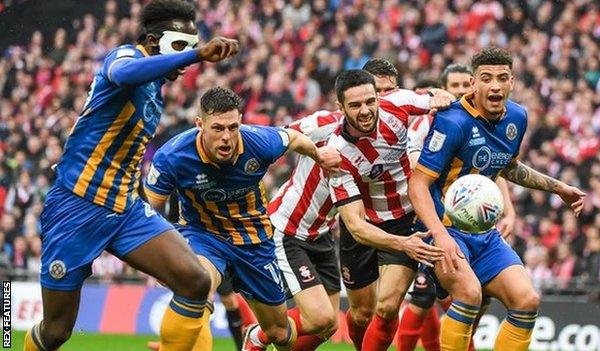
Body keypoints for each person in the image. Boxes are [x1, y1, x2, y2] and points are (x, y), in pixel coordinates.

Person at [24, 1, 240, 350]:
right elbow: (122, 74)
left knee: (196, 281)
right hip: (76, 208)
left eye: (190, 44)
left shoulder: (155, 87)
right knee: (56, 332)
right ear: (154, 43)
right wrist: (196, 55)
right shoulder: (124, 57)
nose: (185, 57)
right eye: (178, 46)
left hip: (124, 208)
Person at [409, 47, 585, 351]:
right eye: (486, 78)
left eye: (502, 78)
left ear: (512, 81)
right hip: (444, 231)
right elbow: (418, 185)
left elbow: (508, 166)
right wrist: (440, 236)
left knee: (527, 299)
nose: (495, 86)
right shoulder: (452, 122)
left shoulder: (517, 116)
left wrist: (559, 188)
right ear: (473, 83)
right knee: (468, 293)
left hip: (484, 235)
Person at [143, 87, 341, 351]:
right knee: (197, 286)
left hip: (255, 241)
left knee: (280, 333)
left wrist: (319, 156)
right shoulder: (172, 157)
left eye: (233, 127)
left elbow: (295, 139)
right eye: (217, 128)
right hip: (203, 236)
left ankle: (255, 338)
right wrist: (163, 258)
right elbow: (151, 214)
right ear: (199, 124)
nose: (227, 137)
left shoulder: (259, 142)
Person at [327, 69, 452, 351]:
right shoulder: (337, 154)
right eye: (355, 105)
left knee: (386, 307)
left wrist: (440, 94)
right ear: (340, 107)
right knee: (361, 314)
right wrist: (402, 244)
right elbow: (356, 226)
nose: (365, 110)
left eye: (370, 101)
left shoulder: (398, 104)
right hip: (363, 226)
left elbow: (439, 100)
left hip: (404, 219)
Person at [399, 63, 519, 351]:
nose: (462, 92)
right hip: (428, 224)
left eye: (466, 86)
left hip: (473, 229)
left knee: (470, 303)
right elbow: (419, 178)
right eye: (455, 87)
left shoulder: (481, 124)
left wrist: (509, 211)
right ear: (444, 90)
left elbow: (490, 173)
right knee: (426, 299)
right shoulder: (429, 126)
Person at [268, 109, 344, 350]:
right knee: (320, 317)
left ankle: (272, 333)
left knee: (328, 325)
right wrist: (315, 152)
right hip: (289, 229)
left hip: (323, 233)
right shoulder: (325, 123)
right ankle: (260, 333)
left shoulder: (381, 140)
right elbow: (282, 137)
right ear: (341, 103)